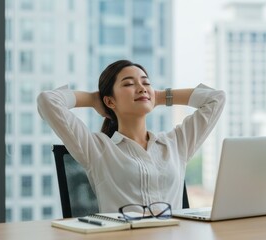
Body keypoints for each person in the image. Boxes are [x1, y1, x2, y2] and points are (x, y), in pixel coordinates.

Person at [37, 59, 225, 213]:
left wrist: (159, 96)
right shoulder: (96, 149)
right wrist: (94, 99)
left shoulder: (175, 144)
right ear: (110, 101)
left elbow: (215, 98)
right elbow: (48, 101)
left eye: (146, 83)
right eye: (128, 84)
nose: (142, 88)